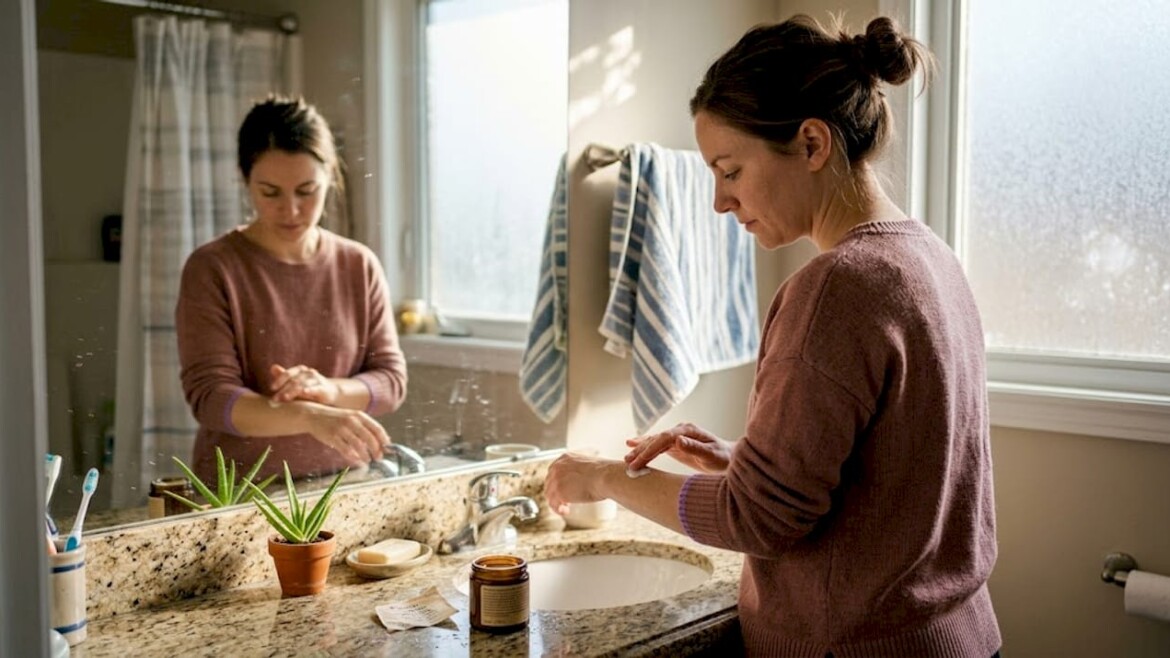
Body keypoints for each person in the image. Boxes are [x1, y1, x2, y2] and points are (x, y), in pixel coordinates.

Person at [544, 15, 1002, 657]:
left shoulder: (835, 288)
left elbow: (759, 522)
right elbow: (901, 468)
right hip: (957, 637)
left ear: (812, 144)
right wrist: (748, 462)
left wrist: (603, 478)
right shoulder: (930, 260)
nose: (718, 203)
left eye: (729, 170)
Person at [176, 95, 407, 484]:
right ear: (245, 179)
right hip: (237, 492)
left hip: (344, 482)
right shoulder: (212, 267)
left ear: (330, 177)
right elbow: (211, 398)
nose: (292, 210)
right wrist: (307, 415)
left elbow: (391, 382)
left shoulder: (358, 264)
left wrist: (328, 390)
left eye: (306, 191)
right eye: (270, 192)